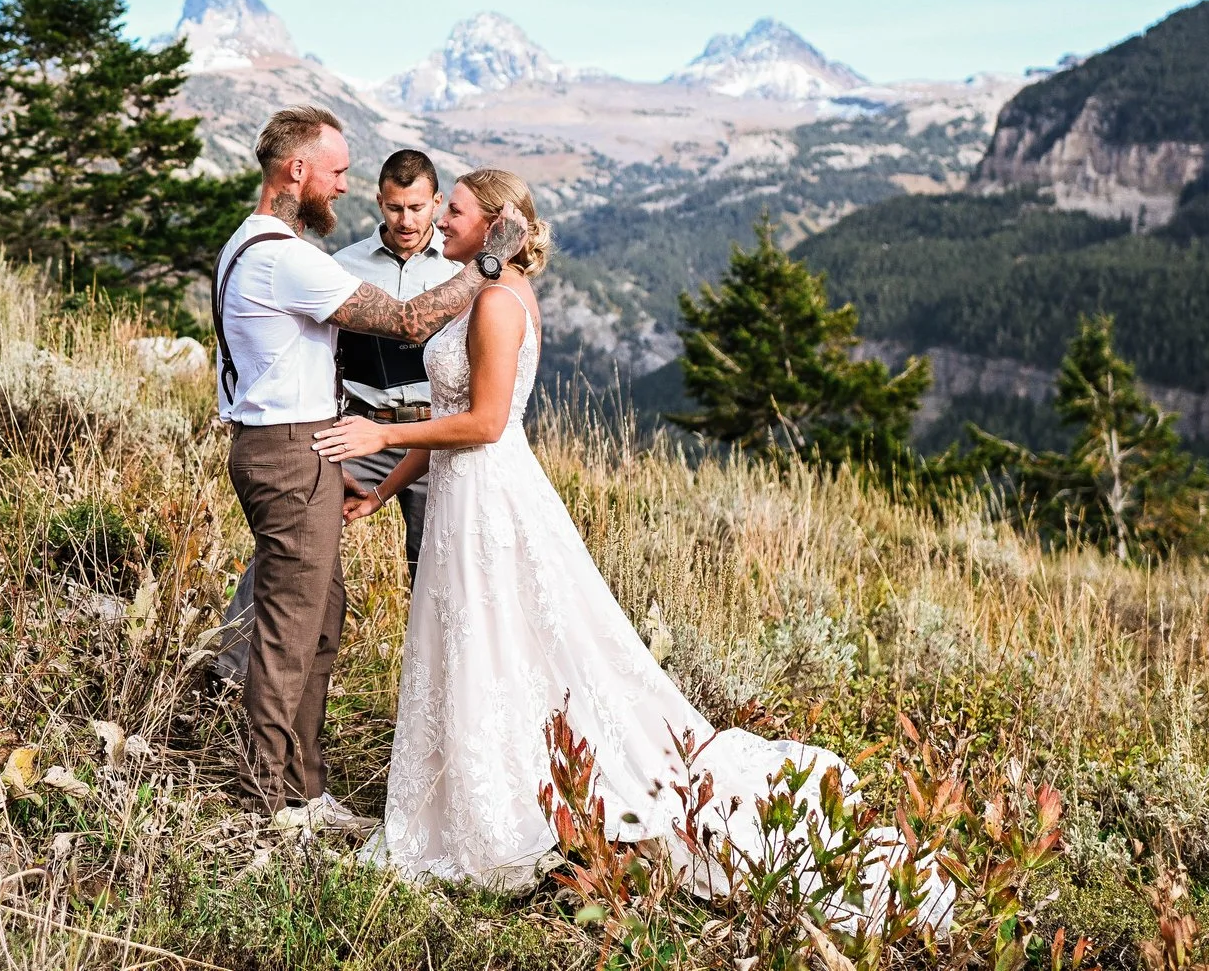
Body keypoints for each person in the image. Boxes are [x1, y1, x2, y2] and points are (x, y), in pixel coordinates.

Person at [316, 170, 950, 920]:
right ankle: (485, 783)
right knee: (483, 644)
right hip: (461, 491)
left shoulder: (494, 301)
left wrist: (382, 432)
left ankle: (506, 808)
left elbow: (485, 422)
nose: (441, 220)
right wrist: (385, 486)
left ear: (495, 225)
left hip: (490, 497)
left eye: (453, 209)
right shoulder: (480, 290)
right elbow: (452, 409)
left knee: (507, 641)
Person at [214, 109, 527, 831]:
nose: (344, 186)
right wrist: (487, 264)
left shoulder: (250, 244)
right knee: (291, 628)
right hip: (290, 449)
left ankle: (305, 786)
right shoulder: (282, 254)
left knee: (321, 616)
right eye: (337, 171)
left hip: (301, 445)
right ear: (296, 170)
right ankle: (268, 800)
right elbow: (410, 323)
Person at [211, 149, 456, 683]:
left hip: (431, 428)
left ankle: (435, 685)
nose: (406, 220)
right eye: (395, 207)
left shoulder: (459, 265)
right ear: (381, 202)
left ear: (436, 203)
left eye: (418, 208)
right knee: (296, 538)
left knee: (436, 560)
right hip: (360, 426)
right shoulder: (339, 264)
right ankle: (228, 667)